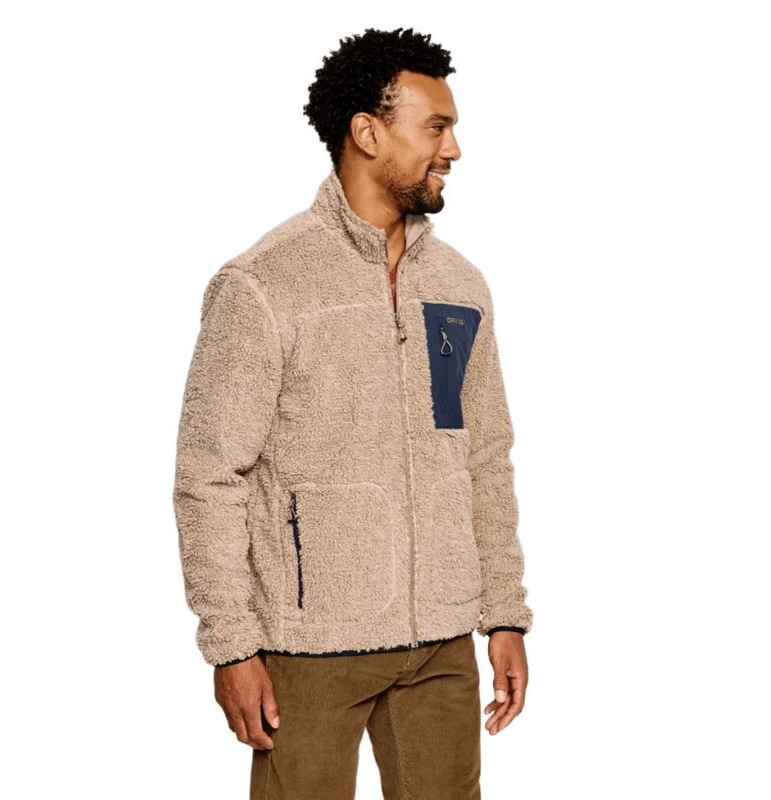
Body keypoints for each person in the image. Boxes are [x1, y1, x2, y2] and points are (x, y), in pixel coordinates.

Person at [173, 26, 533, 800]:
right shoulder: (264, 284)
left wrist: (503, 612)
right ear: (368, 133)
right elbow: (210, 475)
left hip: (441, 642)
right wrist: (231, 645)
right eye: (436, 127)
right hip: (309, 646)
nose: (454, 149)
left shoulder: (459, 286)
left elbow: (483, 455)